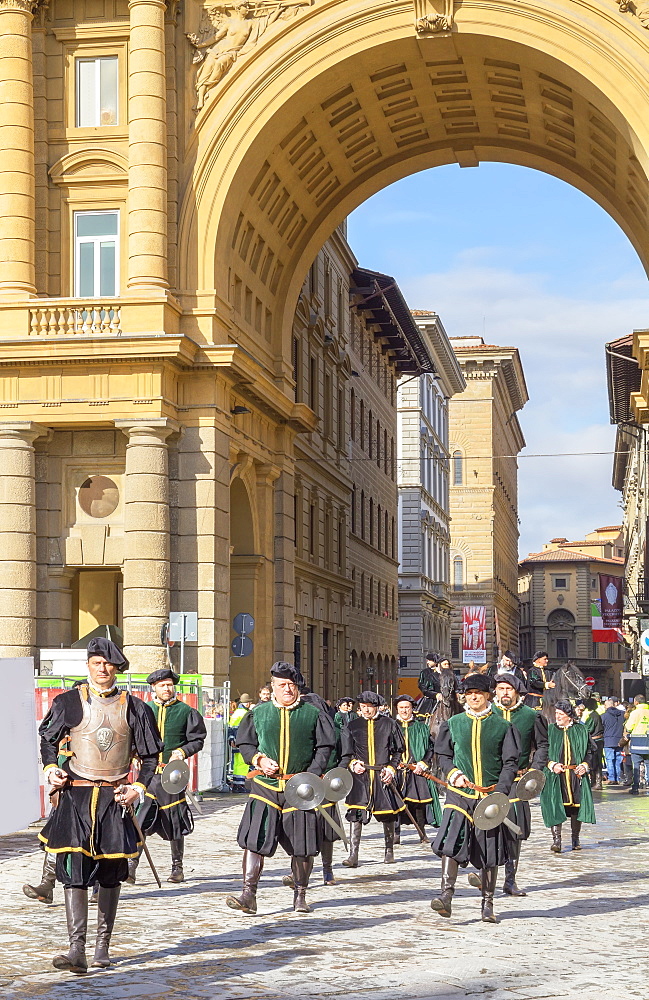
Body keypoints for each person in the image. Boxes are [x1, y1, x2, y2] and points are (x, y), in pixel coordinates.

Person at [37, 638, 162, 974]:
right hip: (76, 798)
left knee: (110, 874)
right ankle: (76, 949)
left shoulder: (135, 708)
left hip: (114, 800)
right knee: (74, 871)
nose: (102, 669)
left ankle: (101, 947)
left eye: (108, 664)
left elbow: (150, 758)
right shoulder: (67, 702)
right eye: (96, 663)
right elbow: (47, 739)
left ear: (116, 668)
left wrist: (137, 787)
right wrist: (52, 768)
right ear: (88, 666)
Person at [226, 661, 335, 914]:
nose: (288, 689)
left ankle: (300, 895)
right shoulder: (259, 713)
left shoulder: (313, 713)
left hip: (299, 787)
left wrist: (312, 774)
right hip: (265, 785)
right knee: (254, 838)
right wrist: (259, 760)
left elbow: (325, 748)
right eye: (282, 685)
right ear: (272, 687)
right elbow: (246, 744)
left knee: (302, 842)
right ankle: (248, 894)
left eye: (292, 685)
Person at [431, 673, 520, 923]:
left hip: (490, 795)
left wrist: (500, 791)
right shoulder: (454, 723)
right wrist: (452, 773)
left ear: (487, 696)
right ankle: (446, 896)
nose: (473, 698)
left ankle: (487, 904)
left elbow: (510, 762)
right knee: (451, 841)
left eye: (478, 694)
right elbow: (444, 755)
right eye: (469, 694)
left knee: (489, 849)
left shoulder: (504, 725)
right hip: (459, 794)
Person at [127, 668, 206, 885]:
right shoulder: (145, 710)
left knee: (174, 821)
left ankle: (177, 868)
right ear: (154, 687)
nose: (167, 689)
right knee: (140, 820)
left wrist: (182, 751)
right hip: (149, 777)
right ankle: (131, 866)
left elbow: (197, 739)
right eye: (162, 685)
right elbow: (134, 736)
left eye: (169, 685)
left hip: (173, 777)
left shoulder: (185, 712)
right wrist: (134, 753)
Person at [490, 673, 547, 896]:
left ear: (517, 692)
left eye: (509, 689)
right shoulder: (487, 714)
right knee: (488, 827)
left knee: (514, 830)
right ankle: (488, 875)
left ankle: (510, 879)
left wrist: (535, 768)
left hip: (516, 781)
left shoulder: (530, 716)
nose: (504, 693)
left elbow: (542, 745)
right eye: (500, 688)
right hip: (490, 781)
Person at [339, 690, 406, 867]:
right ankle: (353, 854)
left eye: (369, 707)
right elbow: (346, 753)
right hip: (360, 776)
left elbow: (398, 750)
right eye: (362, 707)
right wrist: (352, 763)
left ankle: (389, 850)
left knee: (387, 814)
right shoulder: (352, 726)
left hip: (382, 774)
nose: (366, 710)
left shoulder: (389, 724)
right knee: (356, 813)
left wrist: (391, 768)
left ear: (376, 707)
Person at [538, 700, 597, 852]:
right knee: (555, 806)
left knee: (576, 808)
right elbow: (539, 752)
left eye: (561, 714)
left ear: (569, 716)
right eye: (556, 713)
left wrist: (585, 765)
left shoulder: (581, 730)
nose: (557, 716)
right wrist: (551, 764)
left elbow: (591, 751)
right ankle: (556, 841)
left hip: (575, 776)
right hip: (555, 776)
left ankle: (575, 839)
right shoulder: (549, 730)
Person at [393, 694, 441, 843]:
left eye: (407, 707)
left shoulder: (421, 727)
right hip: (396, 770)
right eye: (401, 708)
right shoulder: (391, 726)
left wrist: (423, 763)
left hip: (416, 770)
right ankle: (396, 834)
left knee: (419, 802)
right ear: (397, 709)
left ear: (412, 709)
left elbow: (430, 748)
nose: (404, 710)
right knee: (395, 802)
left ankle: (422, 833)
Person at [623, 694, 649, 795]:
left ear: (636, 702)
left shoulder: (635, 713)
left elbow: (629, 727)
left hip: (637, 744)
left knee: (636, 767)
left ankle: (635, 788)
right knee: (648, 765)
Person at [228, 693, 254, 791]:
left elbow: (231, 727)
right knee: (243, 763)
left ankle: (237, 784)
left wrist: (232, 739)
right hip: (241, 741)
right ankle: (239, 784)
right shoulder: (244, 714)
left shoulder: (237, 712)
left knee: (238, 763)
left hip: (236, 741)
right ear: (247, 703)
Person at [601, 698, 625, 785]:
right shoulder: (622, 714)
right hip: (619, 740)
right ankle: (618, 778)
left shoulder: (603, 716)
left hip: (608, 740)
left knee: (610, 760)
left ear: (607, 706)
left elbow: (601, 728)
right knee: (618, 760)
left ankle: (612, 778)